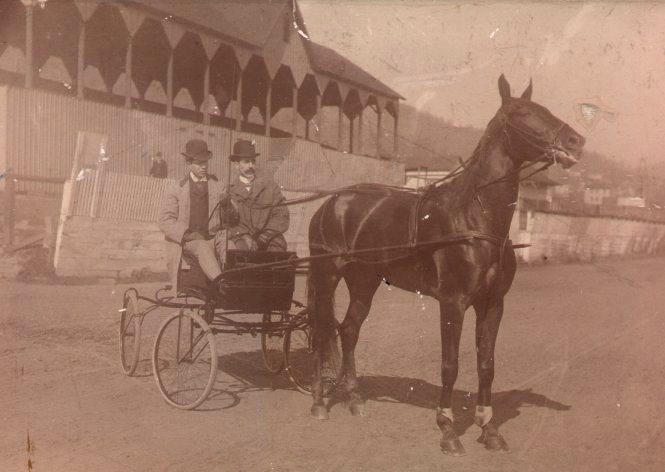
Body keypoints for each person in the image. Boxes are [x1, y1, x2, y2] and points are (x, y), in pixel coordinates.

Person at [158, 139, 237, 291]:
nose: (203, 166)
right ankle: (221, 284)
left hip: (214, 237)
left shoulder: (218, 186)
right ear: (188, 163)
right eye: (198, 163)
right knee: (201, 246)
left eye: (205, 162)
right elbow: (165, 221)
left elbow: (231, 219)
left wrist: (228, 205)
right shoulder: (176, 188)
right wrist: (187, 234)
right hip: (189, 241)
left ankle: (235, 280)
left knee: (229, 245)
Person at [227, 139, 290, 252]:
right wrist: (245, 236)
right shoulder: (228, 192)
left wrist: (264, 237)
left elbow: (281, 215)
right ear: (236, 165)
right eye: (246, 162)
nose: (251, 166)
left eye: (253, 161)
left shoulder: (270, 187)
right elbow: (228, 222)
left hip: (269, 236)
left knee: (279, 251)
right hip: (241, 238)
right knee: (239, 253)